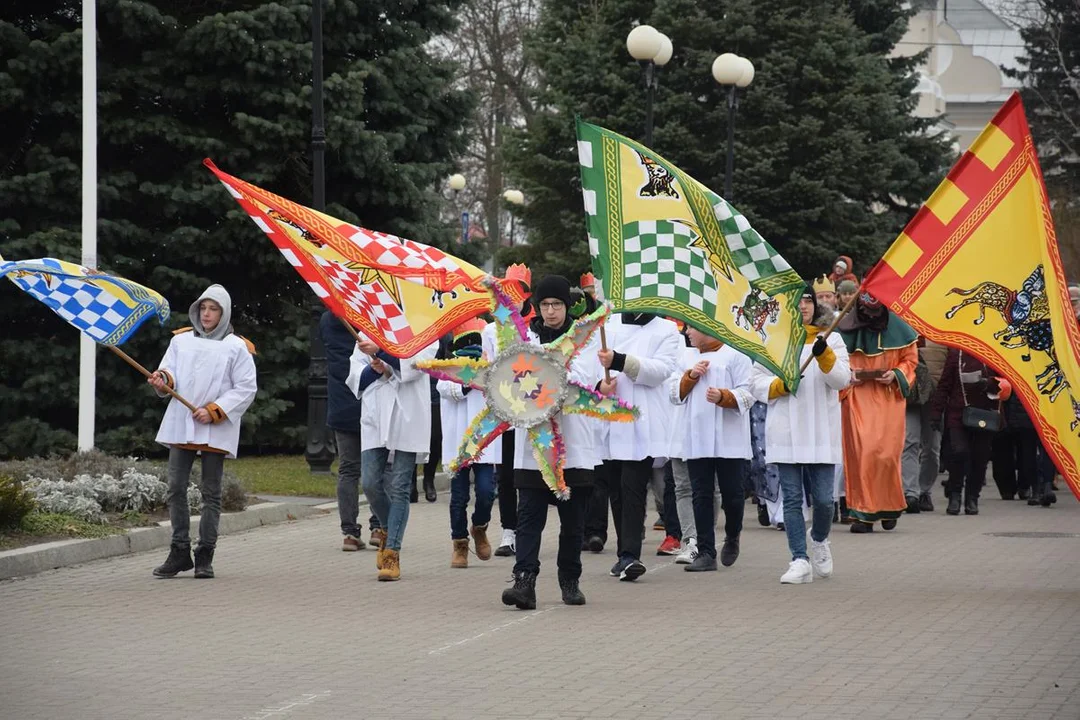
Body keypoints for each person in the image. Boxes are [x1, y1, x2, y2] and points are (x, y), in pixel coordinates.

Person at [502, 275, 599, 609]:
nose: (551, 311)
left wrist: (542, 375)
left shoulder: (583, 340)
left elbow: (584, 379)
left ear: (566, 306)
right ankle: (524, 581)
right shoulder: (526, 338)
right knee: (529, 518)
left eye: (556, 304)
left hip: (573, 446)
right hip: (533, 447)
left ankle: (569, 579)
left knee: (572, 523)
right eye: (544, 305)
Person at [150, 285, 258, 579]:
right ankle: (179, 551)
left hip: (215, 426)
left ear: (223, 313)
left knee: (211, 492)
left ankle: (205, 554)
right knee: (175, 488)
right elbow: (169, 372)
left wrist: (214, 411)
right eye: (203, 308)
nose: (207, 314)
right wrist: (162, 379)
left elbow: (246, 387)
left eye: (213, 309)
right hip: (181, 422)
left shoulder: (237, 346)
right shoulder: (181, 341)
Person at [751, 285, 849, 584]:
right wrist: (779, 386)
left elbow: (842, 379)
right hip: (786, 428)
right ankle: (799, 559)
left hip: (820, 427)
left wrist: (825, 356)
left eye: (808, 300)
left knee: (823, 500)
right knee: (792, 499)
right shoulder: (774, 340)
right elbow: (755, 382)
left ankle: (818, 539)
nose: (804, 306)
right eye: (798, 302)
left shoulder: (830, 337)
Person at [596, 310, 681, 582]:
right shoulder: (606, 326)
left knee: (632, 488)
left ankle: (631, 555)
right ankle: (624, 552)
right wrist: (600, 382)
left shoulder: (666, 329)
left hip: (641, 423)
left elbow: (661, 370)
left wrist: (619, 361)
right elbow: (588, 367)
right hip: (610, 419)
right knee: (616, 492)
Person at [347, 334, 438, 581]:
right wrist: (376, 370)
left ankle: (392, 552)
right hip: (376, 413)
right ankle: (388, 528)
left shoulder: (424, 326)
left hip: (409, 413)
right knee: (369, 482)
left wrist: (383, 353)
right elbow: (356, 375)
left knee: (399, 486)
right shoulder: (370, 327)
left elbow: (419, 365)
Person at [669, 327, 753, 572]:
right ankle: (706, 552)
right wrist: (690, 377)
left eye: (692, 327)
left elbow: (749, 392)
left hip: (730, 438)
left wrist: (724, 397)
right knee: (701, 494)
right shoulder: (686, 357)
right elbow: (673, 394)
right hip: (697, 436)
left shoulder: (736, 355)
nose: (687, 332)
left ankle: (733, 535)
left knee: (733, 495)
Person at [837, 293, 918, 533]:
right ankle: (863, 512)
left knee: (887, 455)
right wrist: (847, 373)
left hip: (888, 397)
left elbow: (910, 360)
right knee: (864, 453)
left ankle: (889, 506)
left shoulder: (900, 328)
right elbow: (837, 360)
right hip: (858, 397)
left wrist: (896, 374)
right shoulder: (844, 329)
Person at [438, 319, 499, 568]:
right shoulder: (447, 369)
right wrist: (467, 377)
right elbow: (448, 391)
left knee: (486, 492)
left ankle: (480, 526)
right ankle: (459, 543)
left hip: (483, 443)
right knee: (459, 497)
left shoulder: (490, 369)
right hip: (458, 445)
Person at [319, 311, 382, 551]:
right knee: (377, 467)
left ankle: (349, 532)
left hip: (340, 403)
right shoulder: (370, 318)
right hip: (371, 400)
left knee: (348, 468)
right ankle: (378, 526)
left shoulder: (327, 320)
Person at [929, 348, 1009, 516]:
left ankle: (972, 497)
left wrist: (989, 383)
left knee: (980, 457)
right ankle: (955, 494)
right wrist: (936, 413)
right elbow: (944, 385)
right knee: (959, 452)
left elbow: (1007, 383)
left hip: (986, 414)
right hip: (959, 413)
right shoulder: (956, 354)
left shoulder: (994, 352)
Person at [490, 263, 532, 557]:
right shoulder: (490, 330)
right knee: (505, 474)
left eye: (519, 291)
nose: (513, 296)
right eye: (508, 290)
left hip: (531, 412)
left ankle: (529, 529)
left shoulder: (537, 328)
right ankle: (508, 530)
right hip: (505, 411)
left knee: (528, 474)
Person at [900, 337, 947, 512]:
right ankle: (911, 493)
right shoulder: (905, 333)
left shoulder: (942, 336)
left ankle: (924, 490)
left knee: (933, 448)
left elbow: (949, 368)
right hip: (910, 397)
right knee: (909, 442)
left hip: (935, 400)